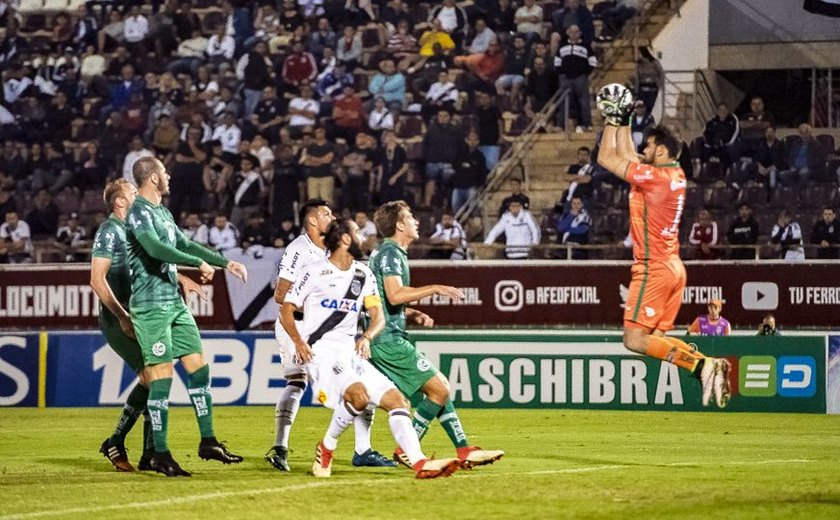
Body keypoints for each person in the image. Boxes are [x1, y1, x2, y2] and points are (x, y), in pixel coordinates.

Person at [280, 218, 461, 479]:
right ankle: (327, 446)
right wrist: (298, 341)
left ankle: (421, 462)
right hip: (321, 353)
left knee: (399, 402)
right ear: (344, 239)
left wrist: (366, 337)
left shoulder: (363, 274)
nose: (364, 238)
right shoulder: (314, 270)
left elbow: (378, 317)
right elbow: (287, 308)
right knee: (360, 397)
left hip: (351, 352)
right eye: (358, 233)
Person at [596, 92, 731, 409]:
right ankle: (703, 363)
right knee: (653, 339)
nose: (644, 149)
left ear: (661, 149)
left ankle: (701, 366)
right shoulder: (672, 174)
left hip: (653, 267)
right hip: (672, 266)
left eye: (649, 145)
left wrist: (612, 121)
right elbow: (629, 156)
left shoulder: (655, 178)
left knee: (634, 340)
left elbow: (607, 159)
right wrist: (626, 118)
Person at [125, 157, 248, 476]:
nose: (168, 176)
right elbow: (154, 248)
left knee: (198, 366)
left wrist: (223, 263)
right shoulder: (138, 211)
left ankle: (208, 441)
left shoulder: (163, 212)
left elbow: (183, 242)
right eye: (164, 172)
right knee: (162, 377)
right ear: (152, 178)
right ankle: (160, 454)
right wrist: (196, 263)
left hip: (173, 302)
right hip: (150, 304)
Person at [369, 201, 505, 468]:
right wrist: (436, 288)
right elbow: (395, 294)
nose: (415, 222)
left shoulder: (387, 253)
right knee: (440, 388)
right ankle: (408, 449)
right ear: (399, 225)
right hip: (388, 341)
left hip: (386, 336)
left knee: (437, 389)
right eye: (410, 217)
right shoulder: (390, 253)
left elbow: (384, 299)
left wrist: (410, 313)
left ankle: (463, 448)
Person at [266, 200, 395, 472]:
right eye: (325, 213)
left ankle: (363, 449)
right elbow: (281, 295)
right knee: (297, 381)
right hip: (299, 326)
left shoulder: (337, 251)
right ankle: (280, 447)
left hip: (329, 333)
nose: (332, 216)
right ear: (312, 221)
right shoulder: (299, 250)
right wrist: (319, 307)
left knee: (358, 378)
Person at [93, 179, 205, 472]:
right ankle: (121, 442)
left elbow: (153, 260)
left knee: (155, 376)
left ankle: (147, 453)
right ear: (119, 202)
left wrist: (181, 278)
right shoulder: (110, 230)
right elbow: (96, 279)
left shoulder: (135, 228)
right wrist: (121, 315)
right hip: (120, 320)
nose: (139, 197)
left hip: (143, 315)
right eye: (133, 193)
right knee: (152, 375)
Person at [554, 195, 592, 259]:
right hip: (563, 248)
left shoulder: (586, 216)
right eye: (574, 203)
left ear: (582, 204)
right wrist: (571, 216)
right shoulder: (566, 215)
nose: (576, 206)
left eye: (578, 203)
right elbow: (560, 228)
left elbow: (582, 230)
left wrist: (566, 229)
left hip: (578, 248)